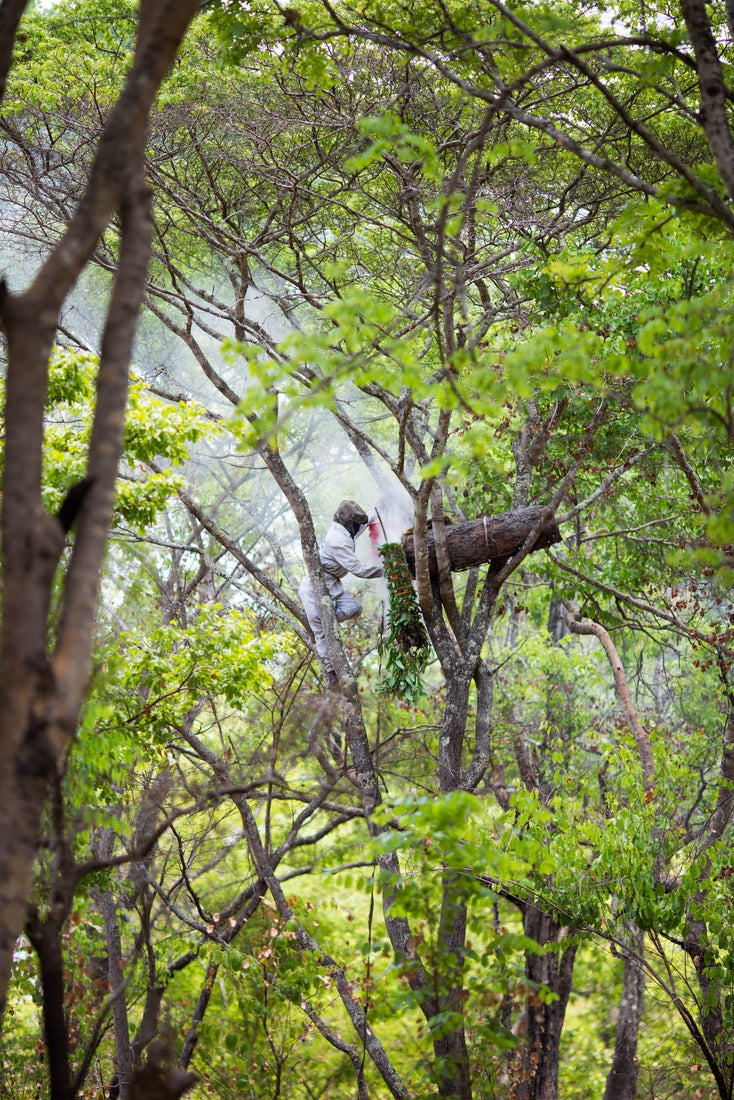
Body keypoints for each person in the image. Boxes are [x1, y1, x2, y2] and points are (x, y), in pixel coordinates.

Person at [299, 500, 384, 689]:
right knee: (322, 633)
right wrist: (386, 569)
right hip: (314, 590)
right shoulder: (337, 540)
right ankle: (331, 673)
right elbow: (358, 569)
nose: (358, 527)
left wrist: (379, 508)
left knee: (354, 608)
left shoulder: (346, 531)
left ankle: (325, 618)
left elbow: (361, 527)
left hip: (333, 586)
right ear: (348, 523)